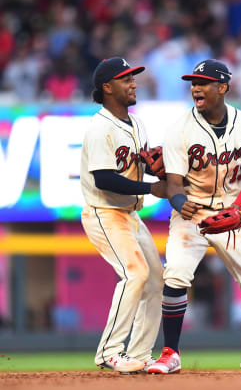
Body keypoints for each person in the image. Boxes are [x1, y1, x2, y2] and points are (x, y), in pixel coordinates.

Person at [147, 59, 241, 374]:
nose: (196, 87)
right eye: (193, 82)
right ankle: (169, 353)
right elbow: (174, 185)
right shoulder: (179, 130)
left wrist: (236, 208)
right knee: (176, 275)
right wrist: (179, 201)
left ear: (222, 87)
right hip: (191, 212)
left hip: (231, 212)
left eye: (203, 82)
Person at [80, 57, 166, 374]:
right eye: (126, 79)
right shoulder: (100, 127)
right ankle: (109, 351)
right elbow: (104, 178)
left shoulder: (137, 123)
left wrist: (157, 165)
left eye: (133, 78)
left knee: (156, 280)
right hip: (105, 212)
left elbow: (145, 161)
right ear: (107, 87)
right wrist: (150, 186)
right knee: (135, 275)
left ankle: (139, 354)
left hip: (131, 215)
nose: (133, 83)